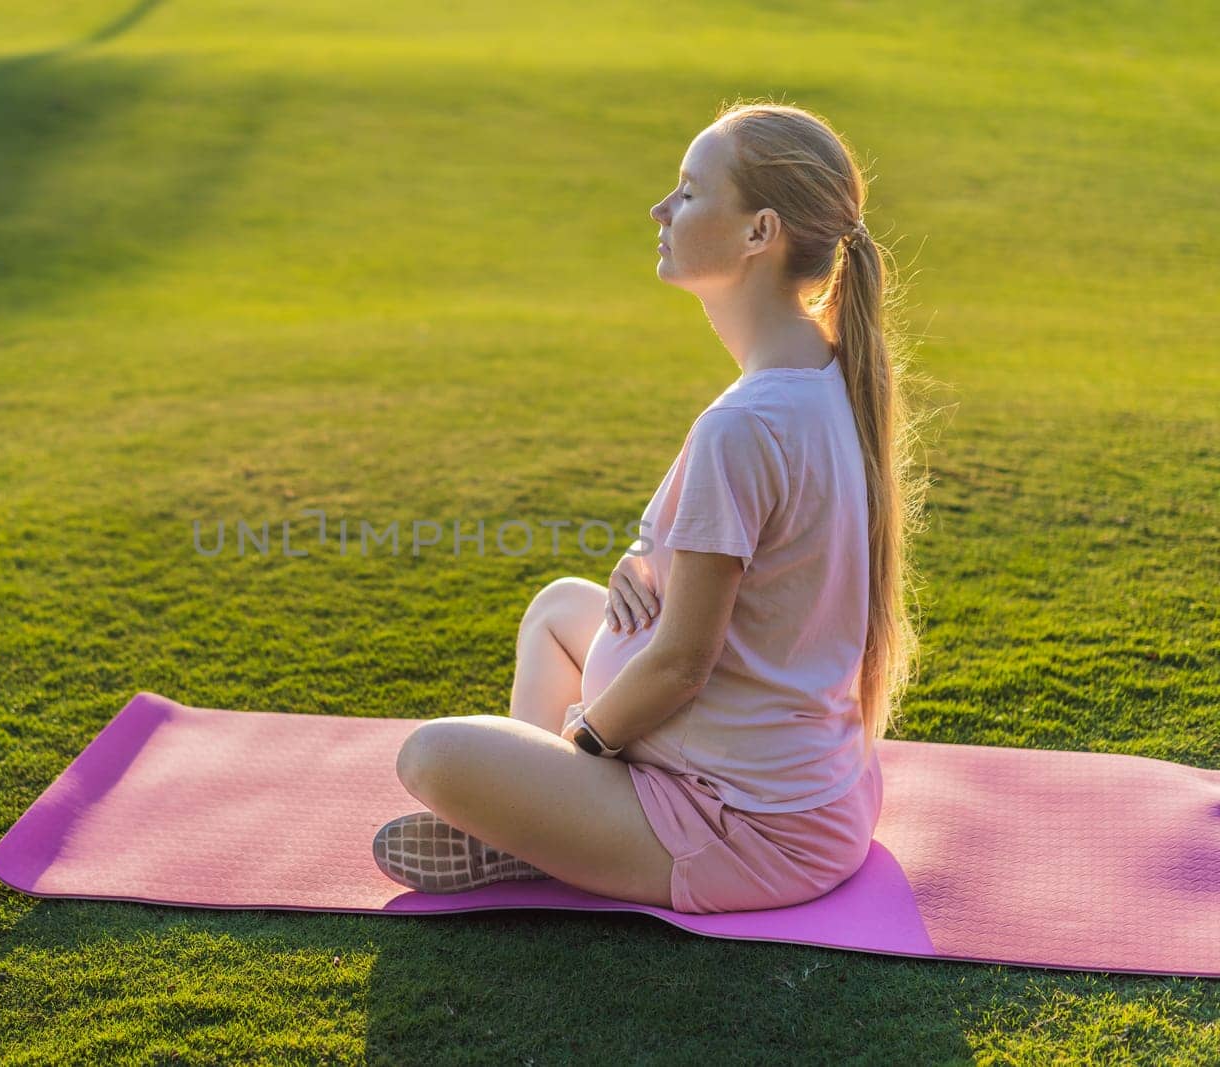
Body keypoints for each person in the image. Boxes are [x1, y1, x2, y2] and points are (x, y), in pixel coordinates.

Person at [374, 101, 932, 913]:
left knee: (430, 757)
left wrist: (585, 739)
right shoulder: (828, 375)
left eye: (689, 192)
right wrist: (653, 564)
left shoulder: (741, 426)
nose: (660, 210)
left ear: (758, 233)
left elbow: (681, 665)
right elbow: (773, 567)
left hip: (743, 829)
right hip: (815, 806)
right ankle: (538, 825)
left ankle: (535, 828)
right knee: (559, 606)